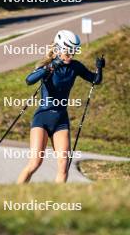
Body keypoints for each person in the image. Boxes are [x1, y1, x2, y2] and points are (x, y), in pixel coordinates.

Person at [17, 30, 105, 183]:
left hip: (61, 121)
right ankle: (15, 198)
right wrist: (49, 68)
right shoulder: (47, 65)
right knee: (35, 163)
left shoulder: (75, 67)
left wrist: (100, 68)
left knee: (64, 166)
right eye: (68, 51)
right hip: (42, 119)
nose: (71, 55)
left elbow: (95, 80)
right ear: (58, 48)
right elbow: (29, 80)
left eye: (74, 51)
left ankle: (58, 203)